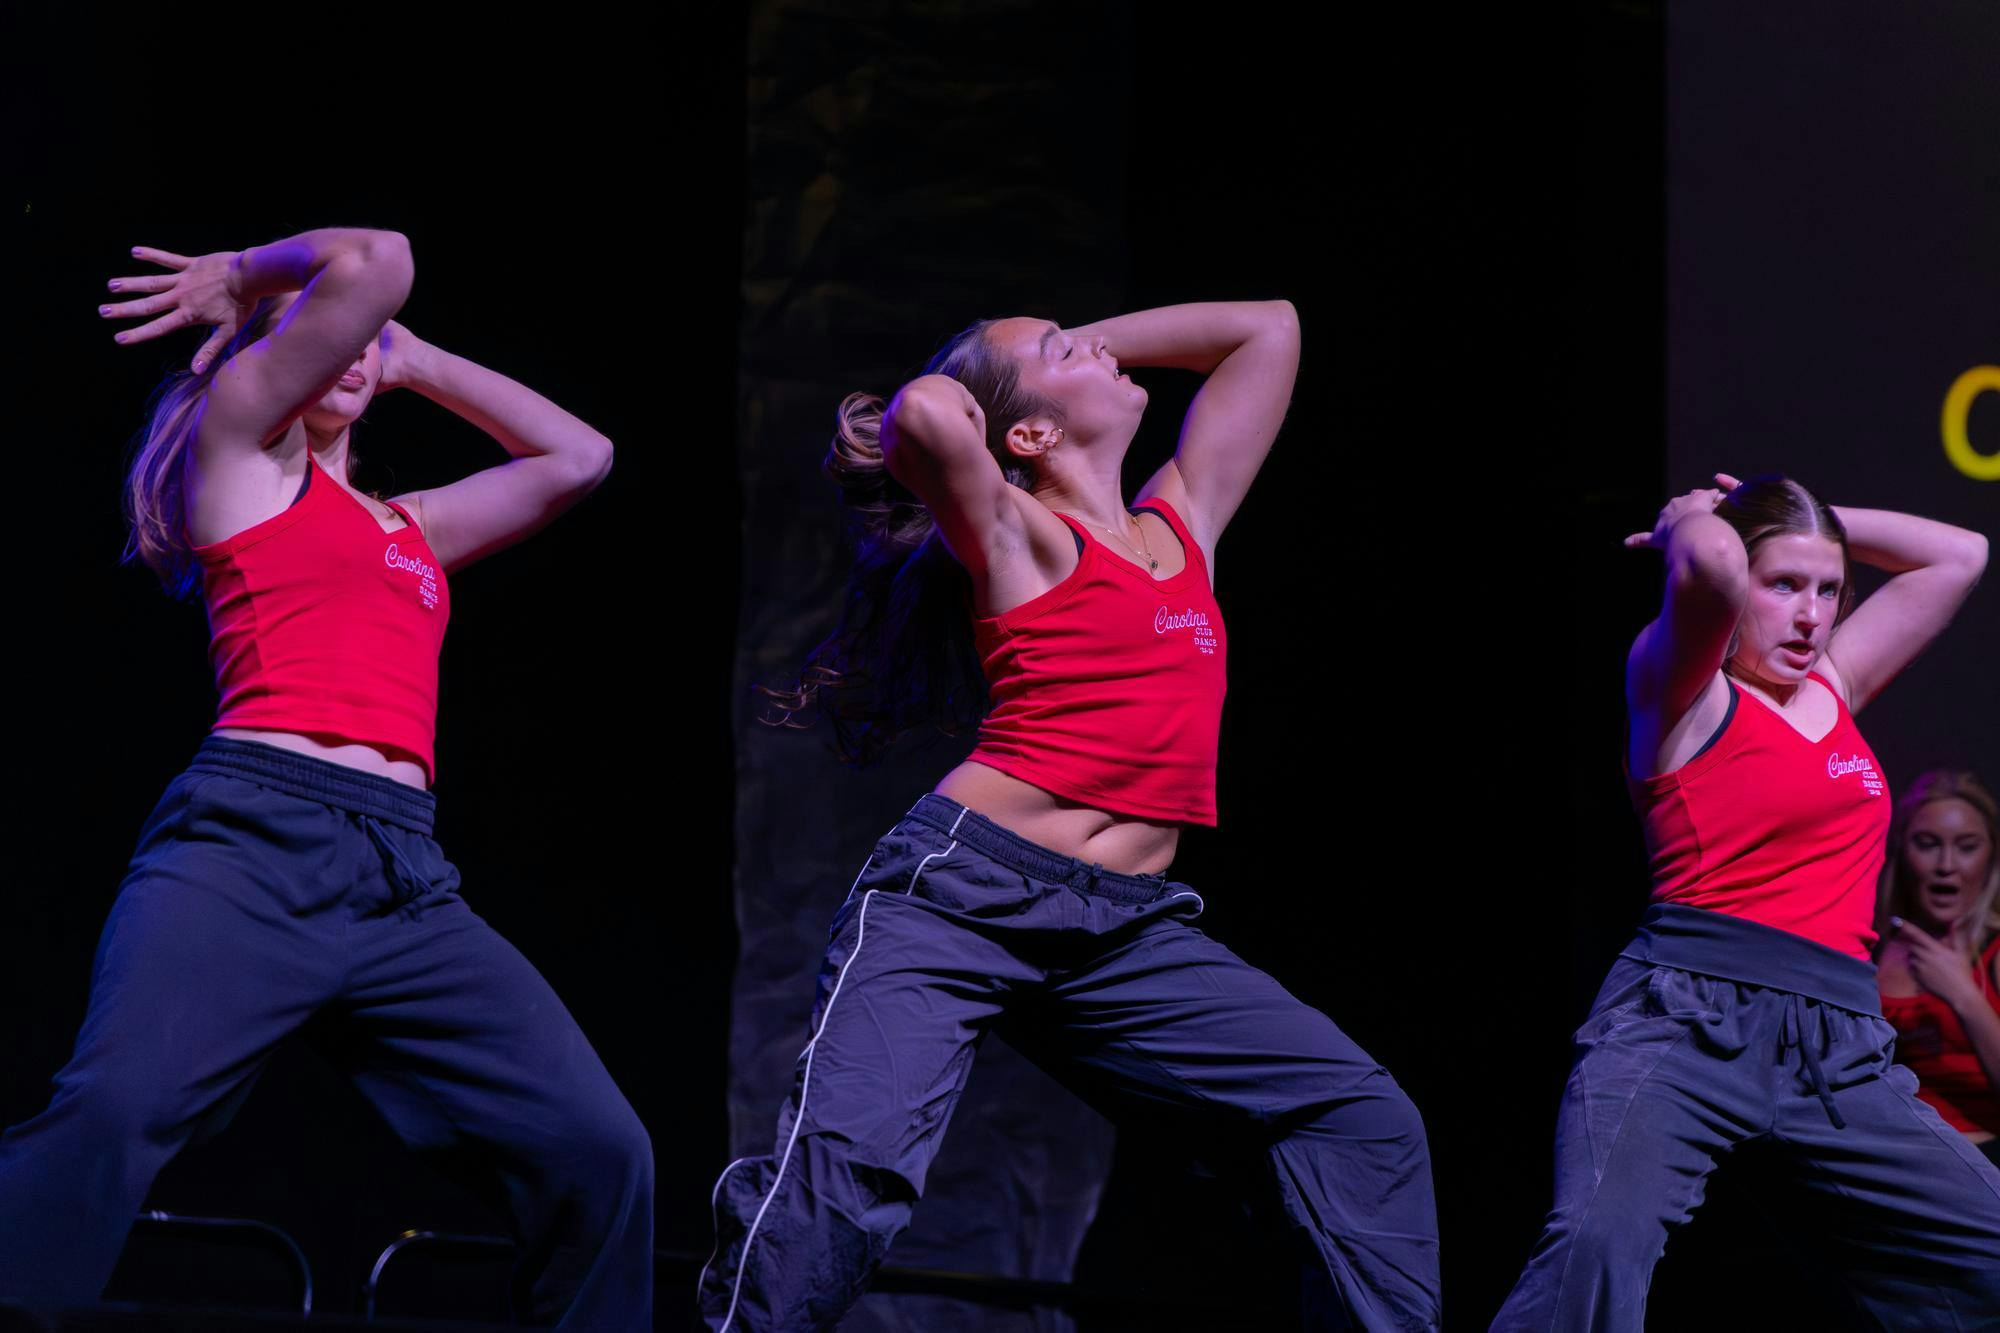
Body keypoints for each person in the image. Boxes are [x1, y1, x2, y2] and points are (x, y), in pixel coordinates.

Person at [700, 302, 1441, 1331]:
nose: (1095, 349)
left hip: (1123, 929)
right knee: (842, 1190)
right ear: (1028, 437)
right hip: (958, 898)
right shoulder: (1016, 535)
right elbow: (922, 414)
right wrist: (1015, 381)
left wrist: (1076, 347)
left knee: (1358, 1116)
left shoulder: (1183, 519)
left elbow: (1266, 331)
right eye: (1059, 351)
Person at [0, 228, 651, 1328]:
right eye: (332, 337)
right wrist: (249, 274)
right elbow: (379, 257)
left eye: (368, 347)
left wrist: (413, 359)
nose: (356, 348)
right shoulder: (242, 459)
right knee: (114, 1110)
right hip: (249, 842)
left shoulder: (411, 529)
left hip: (404, 875)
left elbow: (579, 457)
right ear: (270, 357)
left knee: (601, 1151)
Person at [1495, 473, 2000, 1329]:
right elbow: (1713, 569)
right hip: (1686, 1020)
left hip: (1840, 1049)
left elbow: (1961, 555)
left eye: (1829, 588)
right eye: (1783, 585)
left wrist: (1813, 514)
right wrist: (1694, 519)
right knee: (1595, 1250)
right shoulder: (1685, 693)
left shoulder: (1832, 687)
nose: (1810, 614)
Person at [1875, 770, 2000, 1169]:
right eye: (1927, 845)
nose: (1946, 865)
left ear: (1991, 856)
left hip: (1983, 1157)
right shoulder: (1869, 952)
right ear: (1903, 851)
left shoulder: (1995, 952)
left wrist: (1964, 995)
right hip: (1893, 1158)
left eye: (1967, 847)